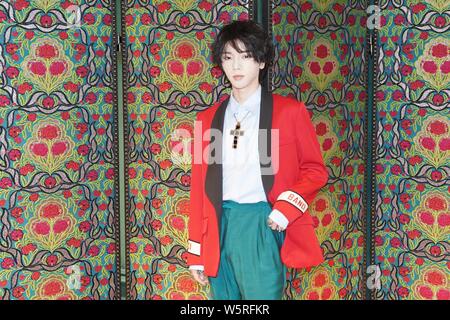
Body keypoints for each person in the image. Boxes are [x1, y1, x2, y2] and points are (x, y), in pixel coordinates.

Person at [186, 20, 328, 300]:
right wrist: (196, 252)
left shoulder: (288, 112)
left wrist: (286, 208)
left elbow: (315, 170)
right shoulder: (207, 119)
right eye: (228, 57)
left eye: (245, 57)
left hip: (261, 224)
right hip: (217, 226)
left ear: (261, 62)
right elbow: (199, 188)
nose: (236, 67)